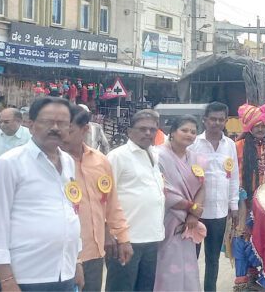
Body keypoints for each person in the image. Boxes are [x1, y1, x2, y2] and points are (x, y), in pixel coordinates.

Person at [0, 97, 82, 291]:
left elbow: (70, 212)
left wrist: (77, 261)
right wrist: (6, 280)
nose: (55, 128)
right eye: (48, 121)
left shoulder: (68, 162)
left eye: (62, 123)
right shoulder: (9, 163)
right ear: (30, 124)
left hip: (64, 272)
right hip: (25, 277)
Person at [64, 104, 132, 292]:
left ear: (85, 129)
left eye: (69, 130)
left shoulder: (100, 160)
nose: (61, 135)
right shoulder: (54, 162)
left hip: (94, 251)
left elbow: (111, 204)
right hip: (63, 254)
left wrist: (123, 238)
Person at [106, 109, 166, 291]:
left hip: (152, 237)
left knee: (145, 288)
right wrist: (109, 234)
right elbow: (105, 197)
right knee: (121, 288)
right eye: (142, 129)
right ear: (129, 132)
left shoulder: (154, 155)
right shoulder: (117, 157)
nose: (148, 133)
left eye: (152, 129)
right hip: (126, 239)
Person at [188, 101, 239, 291]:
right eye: (212, 119)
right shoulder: (193, 144)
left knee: (213, 259)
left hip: (219, 212)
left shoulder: (230, 145)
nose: (216, 123)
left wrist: (234, 206)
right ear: (205, 120)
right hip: (196, 212)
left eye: (220, 119)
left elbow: (233, 176)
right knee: (191, 257)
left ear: (226, 121)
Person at [154, 116, 205, 291]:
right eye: (184, 130)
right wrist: (192, 208)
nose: (189, 134)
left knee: (187, 261)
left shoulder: (197, 159)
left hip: (189, 221)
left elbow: (201, 187)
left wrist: (193, 215)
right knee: (166, 260)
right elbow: (163, 190)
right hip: (167, 217)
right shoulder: (158, 155)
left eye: (193, 132)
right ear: (172, 132)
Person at [232, 101, 265, 289]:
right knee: (241, 235)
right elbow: (232, 174)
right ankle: (241, 281)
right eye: (256, 125)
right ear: (249, 127)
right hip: (245, 201)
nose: (260, 129)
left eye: (263, 125)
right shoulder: (238, 146)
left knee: (262, 238)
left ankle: (255, 275)